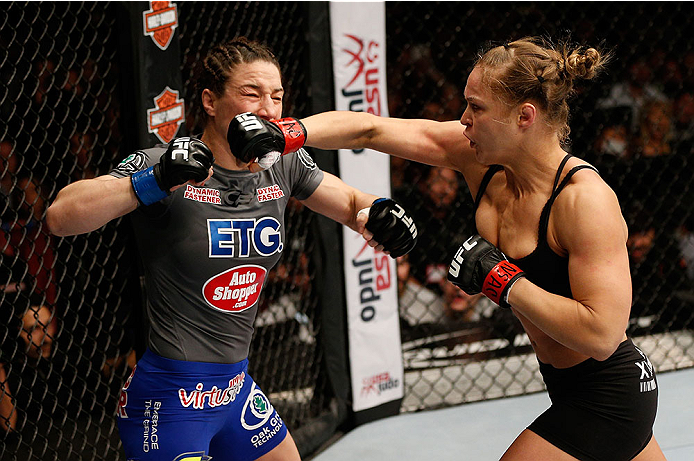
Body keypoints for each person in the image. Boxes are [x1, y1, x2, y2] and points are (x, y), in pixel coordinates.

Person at [232, 36, 666, 460]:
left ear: (524, 116)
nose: (463, 119)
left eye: (476, 107)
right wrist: (289, 134)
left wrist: (503, 281)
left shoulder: (584, 200)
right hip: (569, 385)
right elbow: (371, 128)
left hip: (610, 393)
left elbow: (603, 334)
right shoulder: (477, 156)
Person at [45, 37, 417, 461]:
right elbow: (60, 216)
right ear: (210, 100)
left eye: (276, 97)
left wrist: (381, 212)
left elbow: (352, 204)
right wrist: (152, 181)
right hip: (170, 399)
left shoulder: (282, 163)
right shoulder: (166, 162)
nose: (267, 109)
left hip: (236, 390)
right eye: (251, 94)